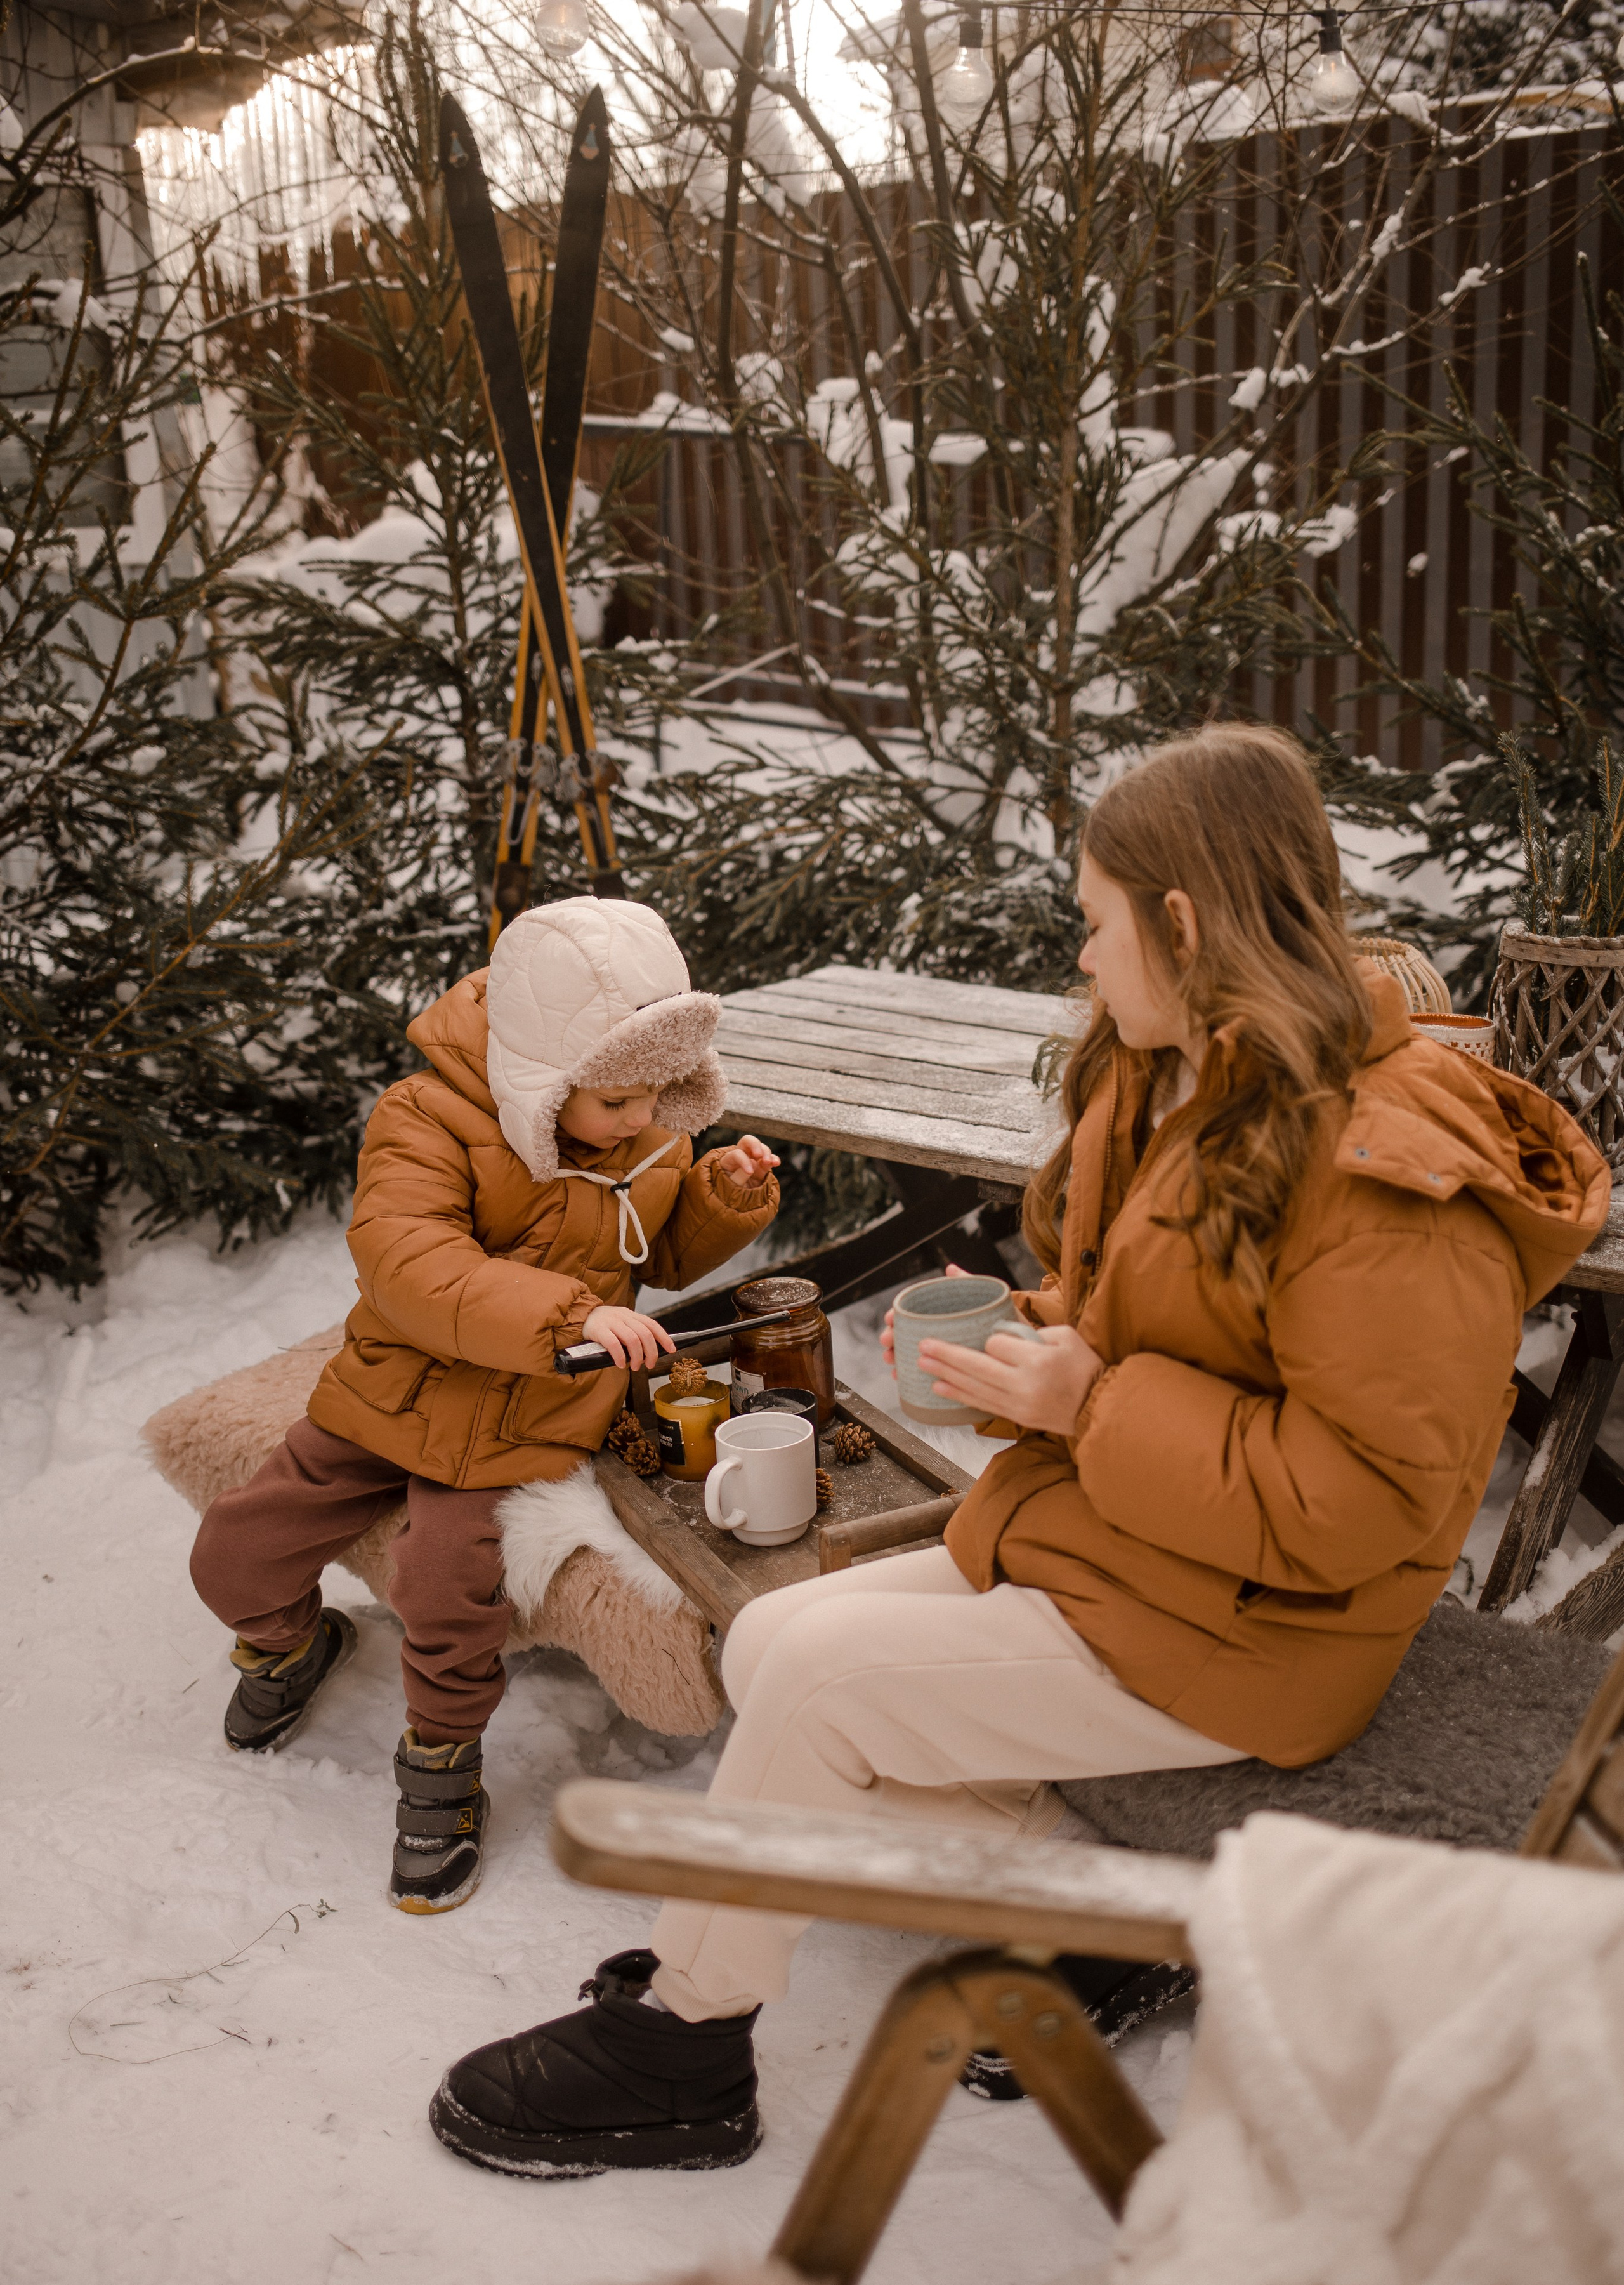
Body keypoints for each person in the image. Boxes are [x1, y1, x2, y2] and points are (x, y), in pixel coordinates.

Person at [426, 725, 1609, 2180]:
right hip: (1133, 1548)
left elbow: (1357, 1505)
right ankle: (1090, 1913)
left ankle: (682, 2048)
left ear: (1182, 924)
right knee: (774, 1642)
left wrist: (1086, 1406)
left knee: (812, 1679)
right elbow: (1162, 1325)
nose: (1081, 955)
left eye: (1095, 922)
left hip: (1263, 1629)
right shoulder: (1187, 1080)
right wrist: (1029, 1342)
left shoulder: (1388, 1181)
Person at [189, 897, 780, 1912]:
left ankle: (442, 1765)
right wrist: (569, 1313)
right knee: (235, 1550)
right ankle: (291, 1643)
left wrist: (719, 1198)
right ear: (539, 1079)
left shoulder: (647, 1137)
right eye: (616, 1100)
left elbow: (660, 1255)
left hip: (532, 1415)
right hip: (398, 1383)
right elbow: (410, 1263)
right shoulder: (424, 1118)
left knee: (444, 1589)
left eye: (659, 1095)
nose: (644, 1119)